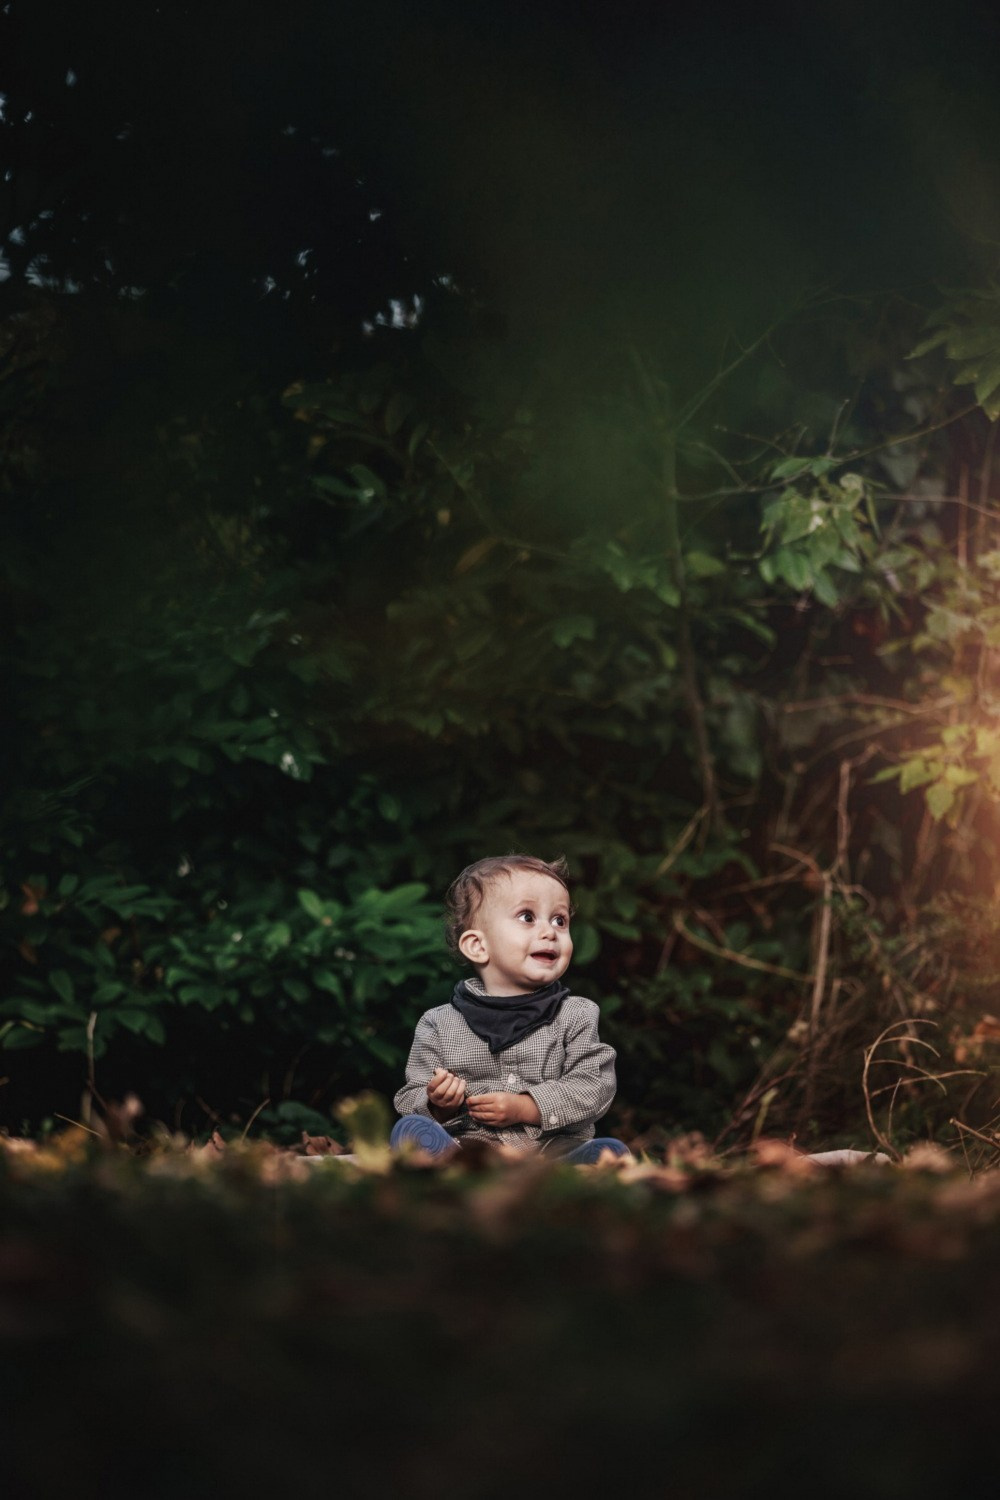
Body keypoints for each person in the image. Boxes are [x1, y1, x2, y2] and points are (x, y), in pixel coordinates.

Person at [391, 854, 630, 1165]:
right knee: (413, 1130)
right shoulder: (439, 1024)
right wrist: (438, 1104)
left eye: (560, 920)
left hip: (549, 1148)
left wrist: (527, 1107)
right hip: (469, 1146)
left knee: (593, 1153)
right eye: (527, 917)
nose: (550, 932)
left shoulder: (576, 1015)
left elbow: (594, 1085)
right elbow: (411, 1095)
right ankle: (448, 1159)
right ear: (478, 945)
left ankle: (575, 1166)